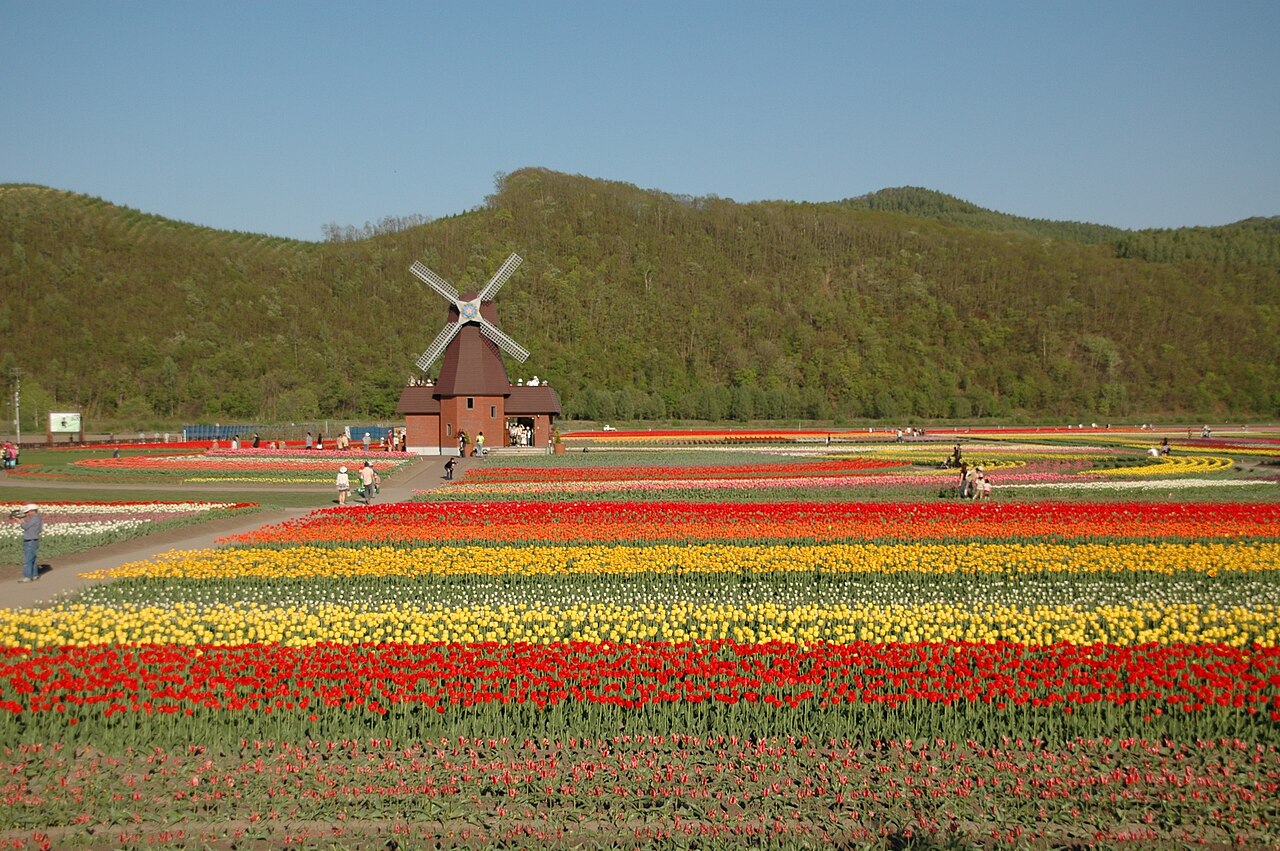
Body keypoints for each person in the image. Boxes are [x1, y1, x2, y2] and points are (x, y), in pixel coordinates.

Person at [12, 504, 42, 582]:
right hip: (34, 539)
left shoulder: (35, 518)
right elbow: (28, 526)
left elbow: (25, 526)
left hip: (30, 540)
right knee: (33, 559)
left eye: (28, 512)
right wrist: (22, 521)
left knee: (28, 559)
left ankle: (27, 577)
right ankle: (34, 575)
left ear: (32, 511)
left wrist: (19, 521)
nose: (27, 514)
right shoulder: (37, 518)